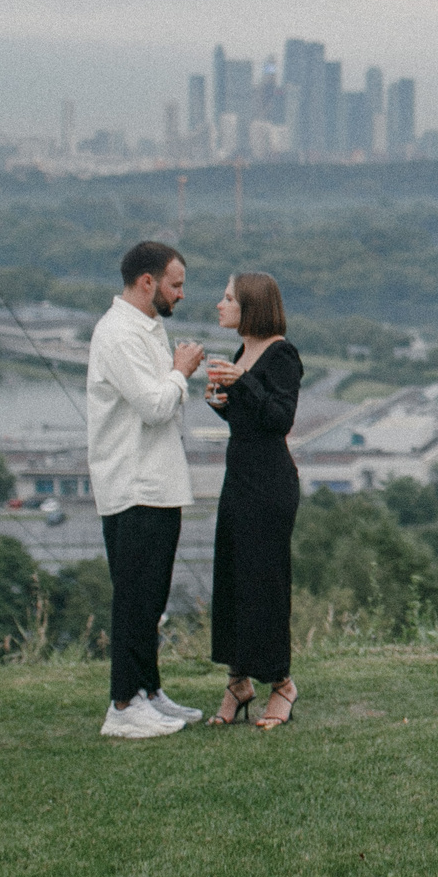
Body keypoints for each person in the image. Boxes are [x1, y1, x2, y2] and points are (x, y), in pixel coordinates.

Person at [86, 240, 206, 740]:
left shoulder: (148, 328)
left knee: (151, 599)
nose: (181, 294)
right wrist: (182, 371)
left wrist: (177, 378)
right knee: (134, 599)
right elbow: (156, 407)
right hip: (132, 484)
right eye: (175, 285)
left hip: (158, 483)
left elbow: (165, 403)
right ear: (147, 282)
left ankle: (149, 692)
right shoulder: (118, 334)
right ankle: (122, 705)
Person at [204, 272, 303, 730]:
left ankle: (282, 684)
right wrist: (221, 402)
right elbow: (248, 420)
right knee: (233, 579)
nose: (220, 305)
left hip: (269, 484)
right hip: (239, 478)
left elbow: (280, 419)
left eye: (228, 298)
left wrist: (242, 381)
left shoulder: (282, 354)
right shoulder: (243, 352)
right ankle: (237, 680)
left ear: (252, 306)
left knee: (265, 582)